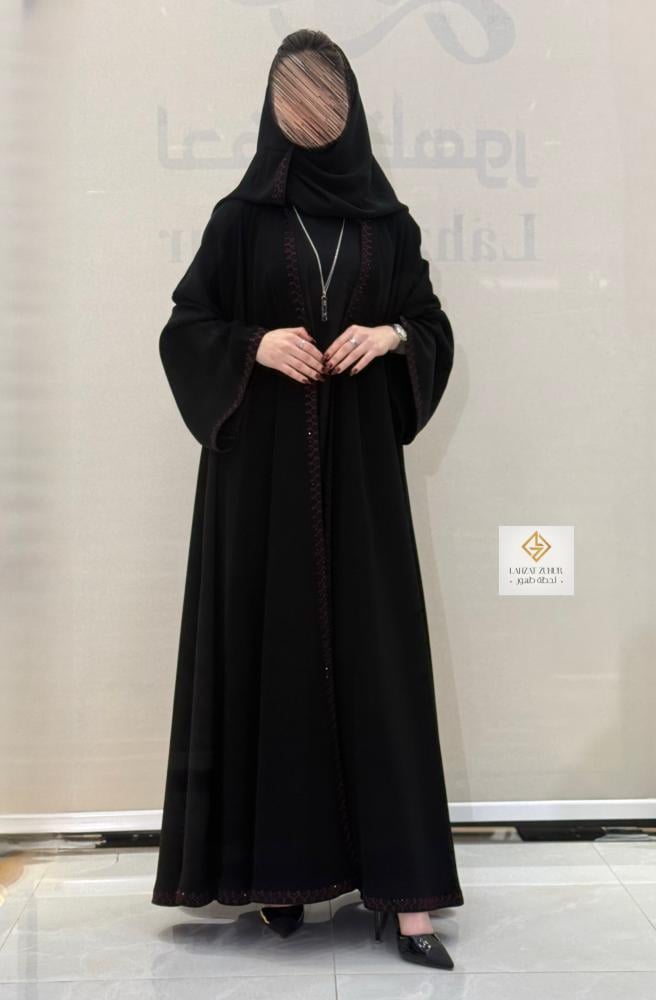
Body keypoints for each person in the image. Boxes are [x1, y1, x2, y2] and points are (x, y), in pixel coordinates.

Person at [152, 28, 463, 969]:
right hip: (264, 479)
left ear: (349, 103)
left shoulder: (388, 224)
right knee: (273, 650)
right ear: (273, 106)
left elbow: (431, 322)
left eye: (324, 95)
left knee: (376, 661)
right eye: (295, 96)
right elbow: (186, 327)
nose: (310, 112)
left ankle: (408, 900)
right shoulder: (240, 220)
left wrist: (393, 336)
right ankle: (280, 879)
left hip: (359, 476)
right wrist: (254, 344)